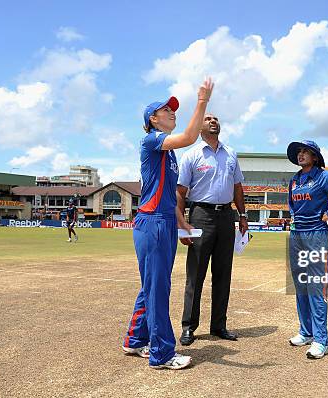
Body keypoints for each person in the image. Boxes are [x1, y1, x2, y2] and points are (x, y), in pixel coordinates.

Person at [121, 78, 214, 370]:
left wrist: (181, 221)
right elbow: (189, 137)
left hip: (163, 221)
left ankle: (135, 340)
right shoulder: (152, 140)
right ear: (153, 119)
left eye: (173, 109)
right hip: (152, 223)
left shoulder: (168, 152)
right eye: (166, 110)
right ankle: (162, 354)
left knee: (152, 285)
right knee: (158, 288)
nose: (173, 112)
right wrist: (202, 101)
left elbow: (170, 194)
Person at [176, 113, 249, 346]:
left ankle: (218, 325)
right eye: (207, 119)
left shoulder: (231, 154)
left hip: (227, 216)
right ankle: (189, 326)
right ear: (199, 127)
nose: (213, 121)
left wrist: (243, 215)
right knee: (195, 274)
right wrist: (182, 224)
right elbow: (180, 192)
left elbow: (237, 186)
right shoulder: (191, 155)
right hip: (201, 215)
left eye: (216, 118)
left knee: (223, 274)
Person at [286, 140, 328, 359]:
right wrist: (294, 220)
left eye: (306, 151)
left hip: (316, 235)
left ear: (315, 157)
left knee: (316, 287)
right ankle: (306, 332)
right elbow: (291, 205)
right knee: (301, 285)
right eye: (299, 152)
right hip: (296, 235)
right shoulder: (295, 180)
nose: (301, 154)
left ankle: (321, 340)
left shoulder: (323, 176)